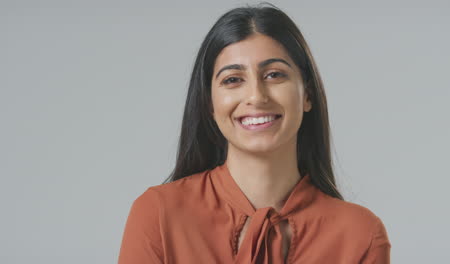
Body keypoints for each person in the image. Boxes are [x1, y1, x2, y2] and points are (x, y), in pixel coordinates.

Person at [118, 2, 391, 264]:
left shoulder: (361, 235)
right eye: (233, 80)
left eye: (274, 75)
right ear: (209, 104)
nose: (256, 96)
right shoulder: (159, 215)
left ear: (307, 95)